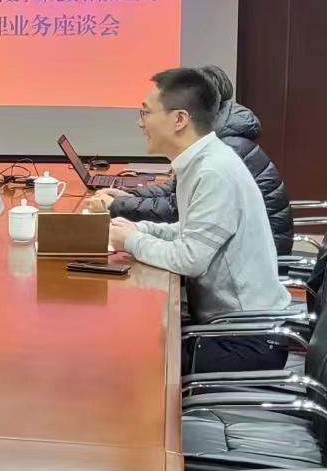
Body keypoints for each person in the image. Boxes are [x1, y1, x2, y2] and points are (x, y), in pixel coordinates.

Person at [109, 68, 293, 374]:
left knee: (135, 359)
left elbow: (190, 259)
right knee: (131, 340)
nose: (141, 122)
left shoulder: (213, 171)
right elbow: (189, 231)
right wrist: (141, 228)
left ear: (179, 119)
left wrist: (131, 241)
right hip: (226, 327)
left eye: (146, 112)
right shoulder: (202, 160)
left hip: (247, 339)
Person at [86, 66, 294, 255]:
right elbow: (175, 193)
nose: (140, 123)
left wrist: (124, 218)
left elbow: (185, 237)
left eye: (146, 113)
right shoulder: (210, 143)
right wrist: (131, 197)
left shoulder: (222, 153)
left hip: (254, 257)